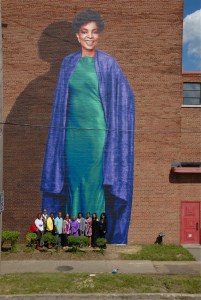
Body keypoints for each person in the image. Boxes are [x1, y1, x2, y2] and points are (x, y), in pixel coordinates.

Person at [41, 9, 135, 244]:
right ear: (77, 35)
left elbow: (126, 97)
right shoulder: (68, 64)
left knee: (94, 187)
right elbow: (61, 102)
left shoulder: (109, 64)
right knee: (74, 185)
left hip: (97, 137)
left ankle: (96, 238)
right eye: (85, 32)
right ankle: (75, 238)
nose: (90, 36)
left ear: (99, 35)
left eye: (94, 32)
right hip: (72, 137)